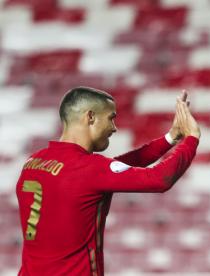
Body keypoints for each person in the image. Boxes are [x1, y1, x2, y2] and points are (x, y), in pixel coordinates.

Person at [16, 87, 200, 275]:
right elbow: (160, 179)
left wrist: (171, 138)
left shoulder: (33, 162)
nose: (114, 127)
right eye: (111, 118)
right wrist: (191, 139)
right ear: (90, 117)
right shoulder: (90, 169)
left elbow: (113, 167)